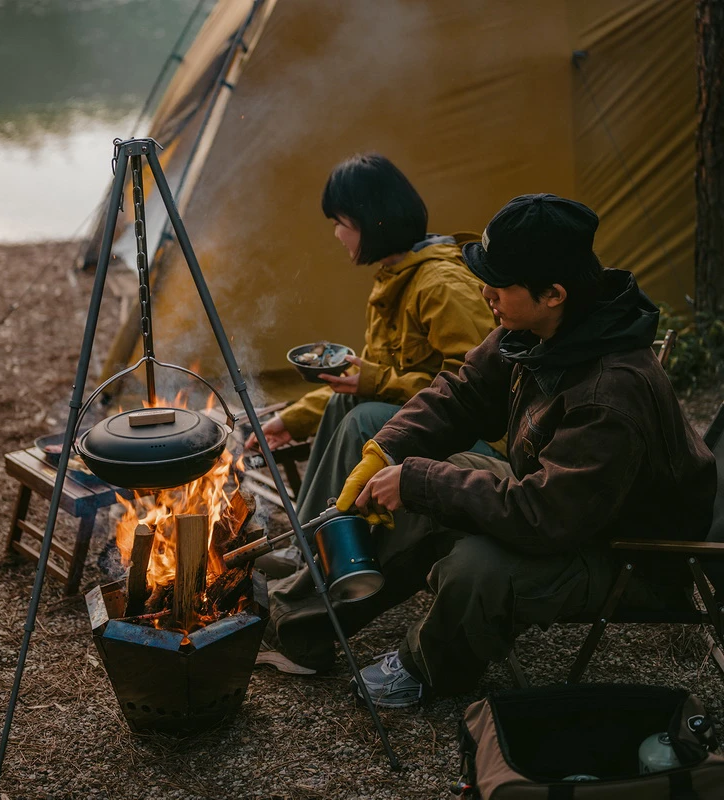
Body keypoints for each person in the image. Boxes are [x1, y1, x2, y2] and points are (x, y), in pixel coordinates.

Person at [261, 193, 717, 701]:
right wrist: (384, 454)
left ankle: (428, 668)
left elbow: (547, 518)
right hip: (556, 500)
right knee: (410, 488)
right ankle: (296, 625)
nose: (484, 294)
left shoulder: (611, 392)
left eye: (499, 285)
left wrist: (420, 482)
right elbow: (461, 393)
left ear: (553, 294)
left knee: (477, 566)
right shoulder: (538, 330)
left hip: (622, 550)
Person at [245, 153, 501, 577]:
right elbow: (367, 376)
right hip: (434, 426)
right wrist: (295, 420)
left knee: (365, 418)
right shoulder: (395, 277)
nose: (337, 234)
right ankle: (305, 547)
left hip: (484, 447)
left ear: (372, 221)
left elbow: (476, 387)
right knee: (347, 406)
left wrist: (377, 381)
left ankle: (322, 565)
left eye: (341, 223)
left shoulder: (441, 285)